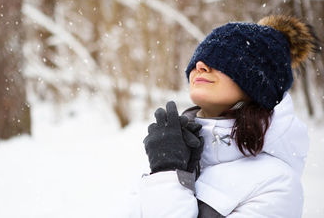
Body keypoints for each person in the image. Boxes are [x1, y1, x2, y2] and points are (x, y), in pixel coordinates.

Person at [130, 15, 320, 217]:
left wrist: (167, 176)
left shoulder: (278, 184)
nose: (200, 65)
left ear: (257, 83)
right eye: (198, 60)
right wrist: (172, 169)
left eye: (222, 59)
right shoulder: (178, 154)